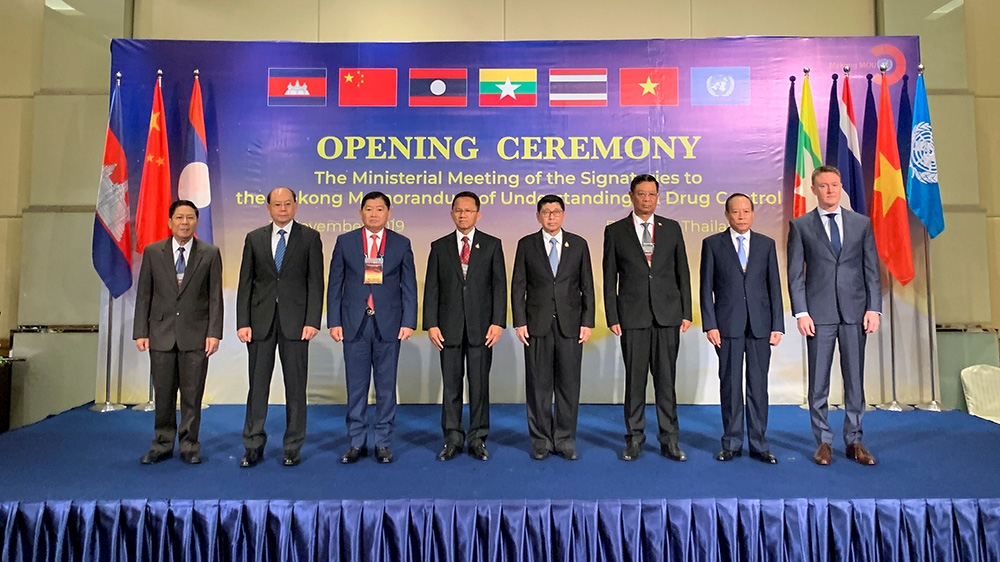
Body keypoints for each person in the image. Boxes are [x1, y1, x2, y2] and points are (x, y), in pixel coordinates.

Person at [787, 165, 882, 466]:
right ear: (813, 189)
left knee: (855, 380)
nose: (830, 190)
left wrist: (874, 307)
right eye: (824, 186)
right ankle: (823, 442)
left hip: (855, 313)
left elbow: (871, 270)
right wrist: (801, 311)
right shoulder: (801, 226)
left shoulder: (861, 224)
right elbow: (795, 275)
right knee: (819, 382)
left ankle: (854, 440)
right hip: (819, 314)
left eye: (835, 185)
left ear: (841, 187)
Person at [603, 173, 692, 462]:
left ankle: (670, 440)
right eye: (641, 194)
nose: (647, 199)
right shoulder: (616, 231)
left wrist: (686, 312)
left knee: (666, 382)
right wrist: (613, 315)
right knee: (635, 382)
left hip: (667, 316)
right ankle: (634, 439)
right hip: (633, 316)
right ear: (631, 196)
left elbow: (683, 272)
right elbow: (608, 277)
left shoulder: (672, 228)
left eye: (652, 194)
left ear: (658, 197)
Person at [236, 187, 324, 468]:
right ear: (268, 207)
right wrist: (243, 322)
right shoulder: (254, 238)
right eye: (277, 204)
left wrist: (312, 320)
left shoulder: (310, 238)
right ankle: (253, 444)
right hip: (260, 322)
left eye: (288, 204)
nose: (283, 209)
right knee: (257, 386)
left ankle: (292, 445)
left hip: (297, 323)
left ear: (296, 206)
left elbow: (315, 282)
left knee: (296, 387)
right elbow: (245, 283)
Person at [328, 191, 417, 464]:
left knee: (386, 387)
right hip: (354, 323)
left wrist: (409, 321)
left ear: (388, 213)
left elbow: (409, 287)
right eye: (369, 209)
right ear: (361, 212)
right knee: (356, 386)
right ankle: (356, 442)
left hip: (388, 323)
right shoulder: (346, 241)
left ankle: (382, 442)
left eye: (380, 209)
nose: (374, 214)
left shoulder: (401, 243)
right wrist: (334, 321)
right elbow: (335, 284)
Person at [133, 199, 223, 465]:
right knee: (163, 394)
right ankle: (161, 444)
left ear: (197, 221)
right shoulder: (153, 252)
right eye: (179, 218)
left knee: (192, 395)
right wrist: (141, 331)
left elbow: (215, 296)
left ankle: (189, 445)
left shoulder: (209, 253)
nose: (185, 222)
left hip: (196, 334)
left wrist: (214, 332)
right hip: (160, 333)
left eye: (190, 218)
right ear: (170, 222)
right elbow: (144, 296)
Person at [700, 193, 783, 464]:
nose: (741, 216)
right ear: (727, 215)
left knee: (758, 387)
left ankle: (759, 444)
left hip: (760, 327)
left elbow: (774, 288)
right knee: (731, 387)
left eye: (746, 211)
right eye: (736, 212)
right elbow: (705, 290)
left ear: (753, 214)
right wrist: (710, 325)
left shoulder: (766, 244)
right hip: (727, 327)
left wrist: (777, 326)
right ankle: (732, 443)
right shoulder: (712, 244)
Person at [423, 191, 506, 461]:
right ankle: (452, 439)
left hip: (482, 329)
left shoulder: (492, 245)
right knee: (451, 387)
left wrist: (497, 322)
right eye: (458, 210)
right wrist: (431, 324)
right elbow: (432, 288)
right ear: (451, 214)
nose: (463, 215)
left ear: (478, 214)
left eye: (468, 210)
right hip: (448, 328)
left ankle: (478, 438)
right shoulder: (440, 246)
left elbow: (499, 287)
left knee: (480, 386)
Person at [511, 194, 595, 461]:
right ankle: (541, 440)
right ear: (538, 216)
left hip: (571, 325)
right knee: (538, 385)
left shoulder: (579, 244)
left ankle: (565, 439)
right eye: (546, 212)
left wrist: (587, 321)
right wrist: (520, 321)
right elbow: (518, 286)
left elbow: (587, 286)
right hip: (537, 325)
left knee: (569, 385)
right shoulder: (526, 244)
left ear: (563, 215)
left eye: (556, 211)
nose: (551, 216)